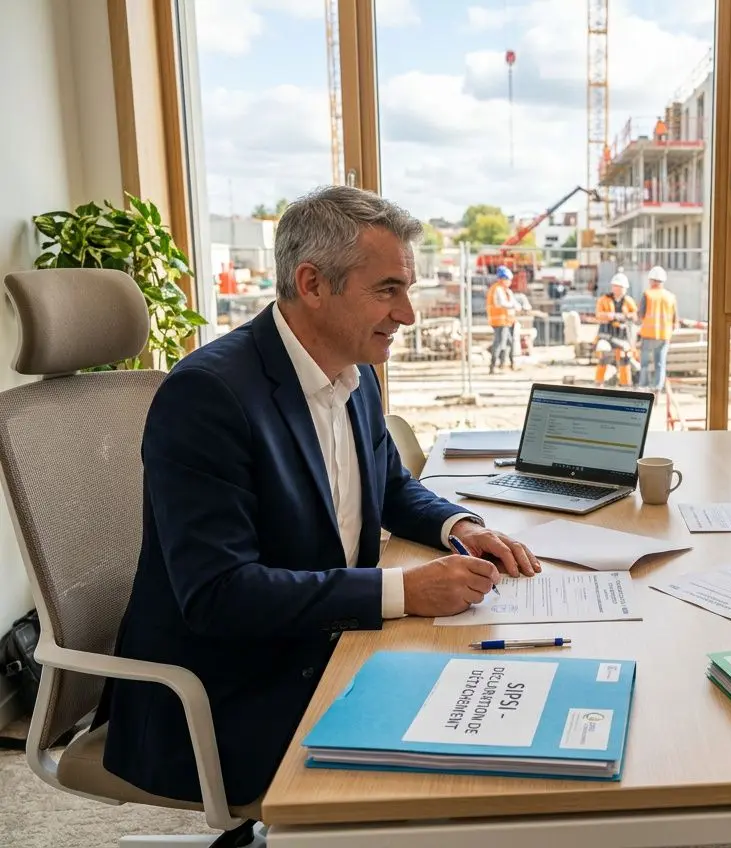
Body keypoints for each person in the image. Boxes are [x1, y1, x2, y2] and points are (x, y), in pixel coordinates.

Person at [96, 185, 541, 811]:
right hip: (231, 694)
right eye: (388, 290)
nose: (407, 314)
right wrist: (405, 592)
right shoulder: (207, 396)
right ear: (312, 283)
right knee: (470, 773)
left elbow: (389, 486)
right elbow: (220, 595)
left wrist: (460, 527)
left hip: (329, 646)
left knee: (505, 699)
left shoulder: (353, 373)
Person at [593, 271, 639, 387]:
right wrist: (610, 316)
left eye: (621, 287)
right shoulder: (604, 300)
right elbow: (598, 315)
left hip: (621, 337)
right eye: (616, 287)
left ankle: (625, 385)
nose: (618, 289)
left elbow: (635, 315)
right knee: (603, 357)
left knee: (624, 358)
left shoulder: (628, 301)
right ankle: (599, 384)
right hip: (606, 335)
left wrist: (625, 316)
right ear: (613, 287)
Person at [638, 265, 678, 392]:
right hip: (664, 335)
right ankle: (657, 388)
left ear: (651, 280)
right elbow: (675, 318)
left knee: (644, 363)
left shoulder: (647, 294)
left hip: (648, 334)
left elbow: (640, 314)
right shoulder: (671, 296)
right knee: (660, 364)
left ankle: (643, 386)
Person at [486, 265, 517, 374]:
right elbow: (502, 304)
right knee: (499, 342)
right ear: (502, 279)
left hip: (506, 322)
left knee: (508, 341)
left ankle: (504, 363)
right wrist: (513, 305)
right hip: (500, 322)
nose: (509, 282)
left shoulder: (505, 290)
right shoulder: (498, 288)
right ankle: (493, 366)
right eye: (508, 279)